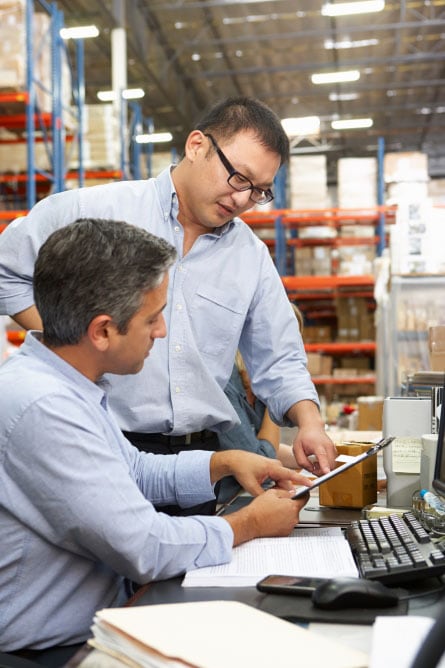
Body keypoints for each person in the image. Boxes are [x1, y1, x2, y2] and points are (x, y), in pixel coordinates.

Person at [0, 96, 336, 517]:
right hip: (100, 445)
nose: (243, 200)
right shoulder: (96, 211)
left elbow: (280, 356)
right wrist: (73, 338)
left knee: (183, 577)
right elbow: (5, 270)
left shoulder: (250, 257)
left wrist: (310, 422)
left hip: (198, 468)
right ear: (197, 145)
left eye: (260, 191)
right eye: (239, 178)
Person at [0, 218, 310, 663]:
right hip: (47, 653)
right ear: (103, 331)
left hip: (97, 624)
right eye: (152, 318)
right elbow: (145, 547)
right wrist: (252, 524)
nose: (162, 332)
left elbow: (135, 471)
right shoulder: (45, 405)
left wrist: (224, 462)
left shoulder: (68, 384)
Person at [218, 304, 303, 502]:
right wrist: (275, 396)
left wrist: (316, 460)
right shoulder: (225, 381)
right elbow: (261, 459)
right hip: (219, 505)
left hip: (242, 496)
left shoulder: (254, 388)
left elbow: (259, 444)